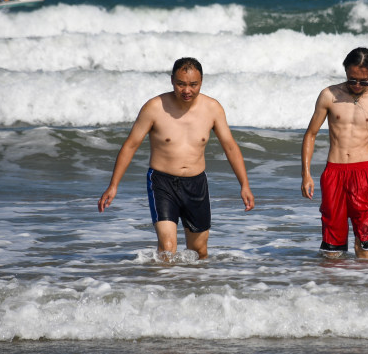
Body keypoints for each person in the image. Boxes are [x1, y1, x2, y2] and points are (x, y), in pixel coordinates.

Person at [98, 57, 254, 259]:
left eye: (193, 85)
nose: (187, 90)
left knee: (199, 251)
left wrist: (245, 184)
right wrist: (113, 185)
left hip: (196, 184)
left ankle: (194, 288)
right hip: (162, 183)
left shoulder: (212, 108)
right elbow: (131, 145)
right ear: (172, 80)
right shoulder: (154, 107)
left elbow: (231, 147)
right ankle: (164, 288)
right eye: (181, 84)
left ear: (201, 82)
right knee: (168, 248)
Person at [301, 47, 368, 259]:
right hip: (334, 174)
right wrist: (306, 174)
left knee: (364, 245)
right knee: (332, 250)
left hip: (363, 175)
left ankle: (363, 288)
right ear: (346, 71)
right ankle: (335, 289)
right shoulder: (329, 95)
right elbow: (310, 134)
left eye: (363, 81)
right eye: (352, 79)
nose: (357, 85)